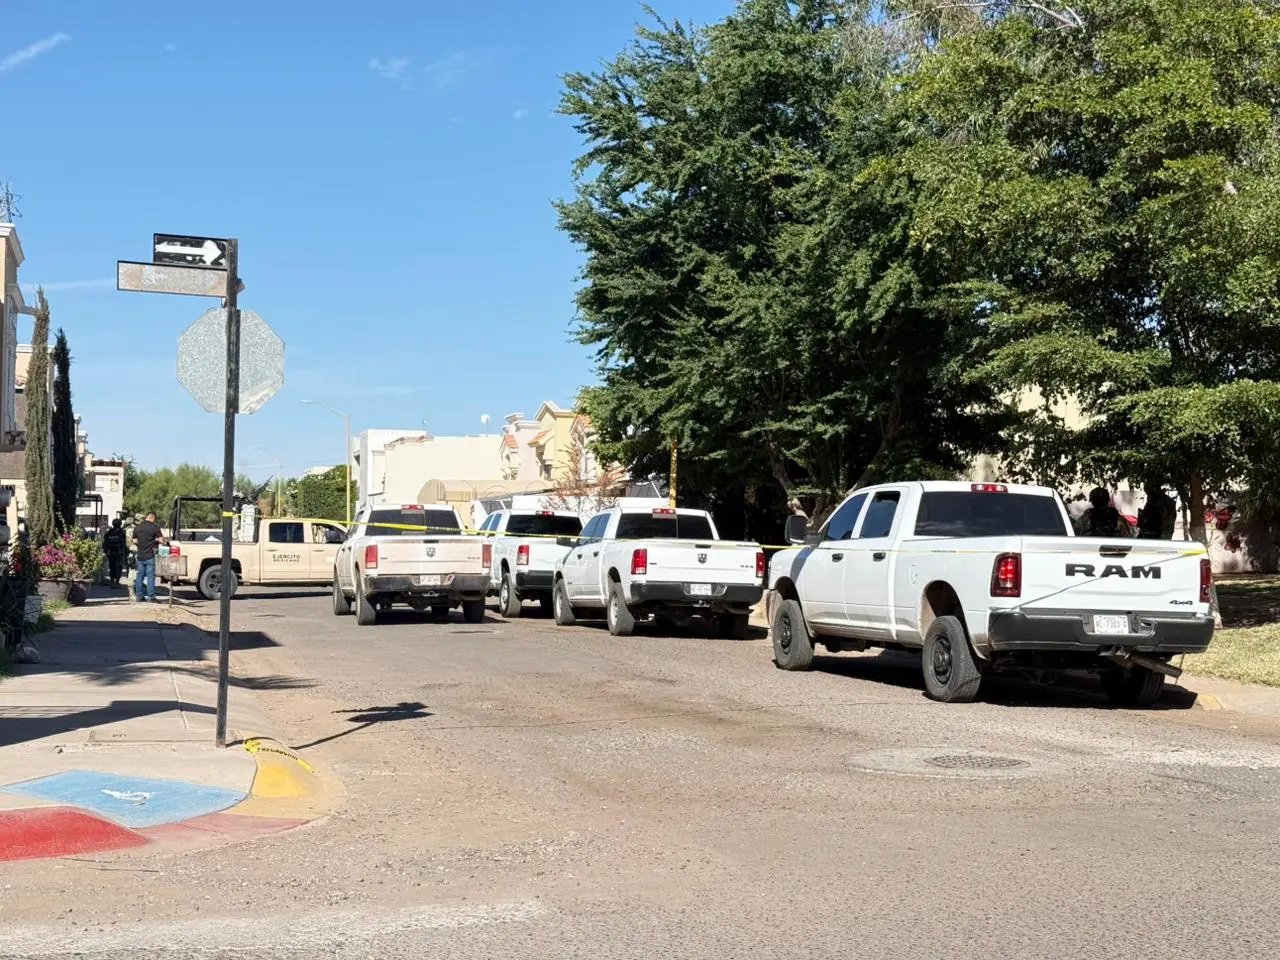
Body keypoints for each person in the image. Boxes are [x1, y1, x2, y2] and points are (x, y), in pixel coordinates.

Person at [132, 512, 167, 602]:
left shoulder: (137, 527)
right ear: (153, 518)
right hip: (150, 555)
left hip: (140, 555)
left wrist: (142, 544)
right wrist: (155, 541)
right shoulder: (155, 527)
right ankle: (151, 597)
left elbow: (134, 540)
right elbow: (162, 541)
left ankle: (139, 596)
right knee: (151, 576)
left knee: (140, 576)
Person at [103, 518, 128, 587]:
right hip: (120, 552)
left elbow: (105, 543)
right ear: (120, 524)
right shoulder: (123, 532)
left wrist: (105, 551)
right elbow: (125, 543)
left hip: (111, 552)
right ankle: (117, 582)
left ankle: (112, 581)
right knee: (118, 567)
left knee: (112, 567)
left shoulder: (108, 532)